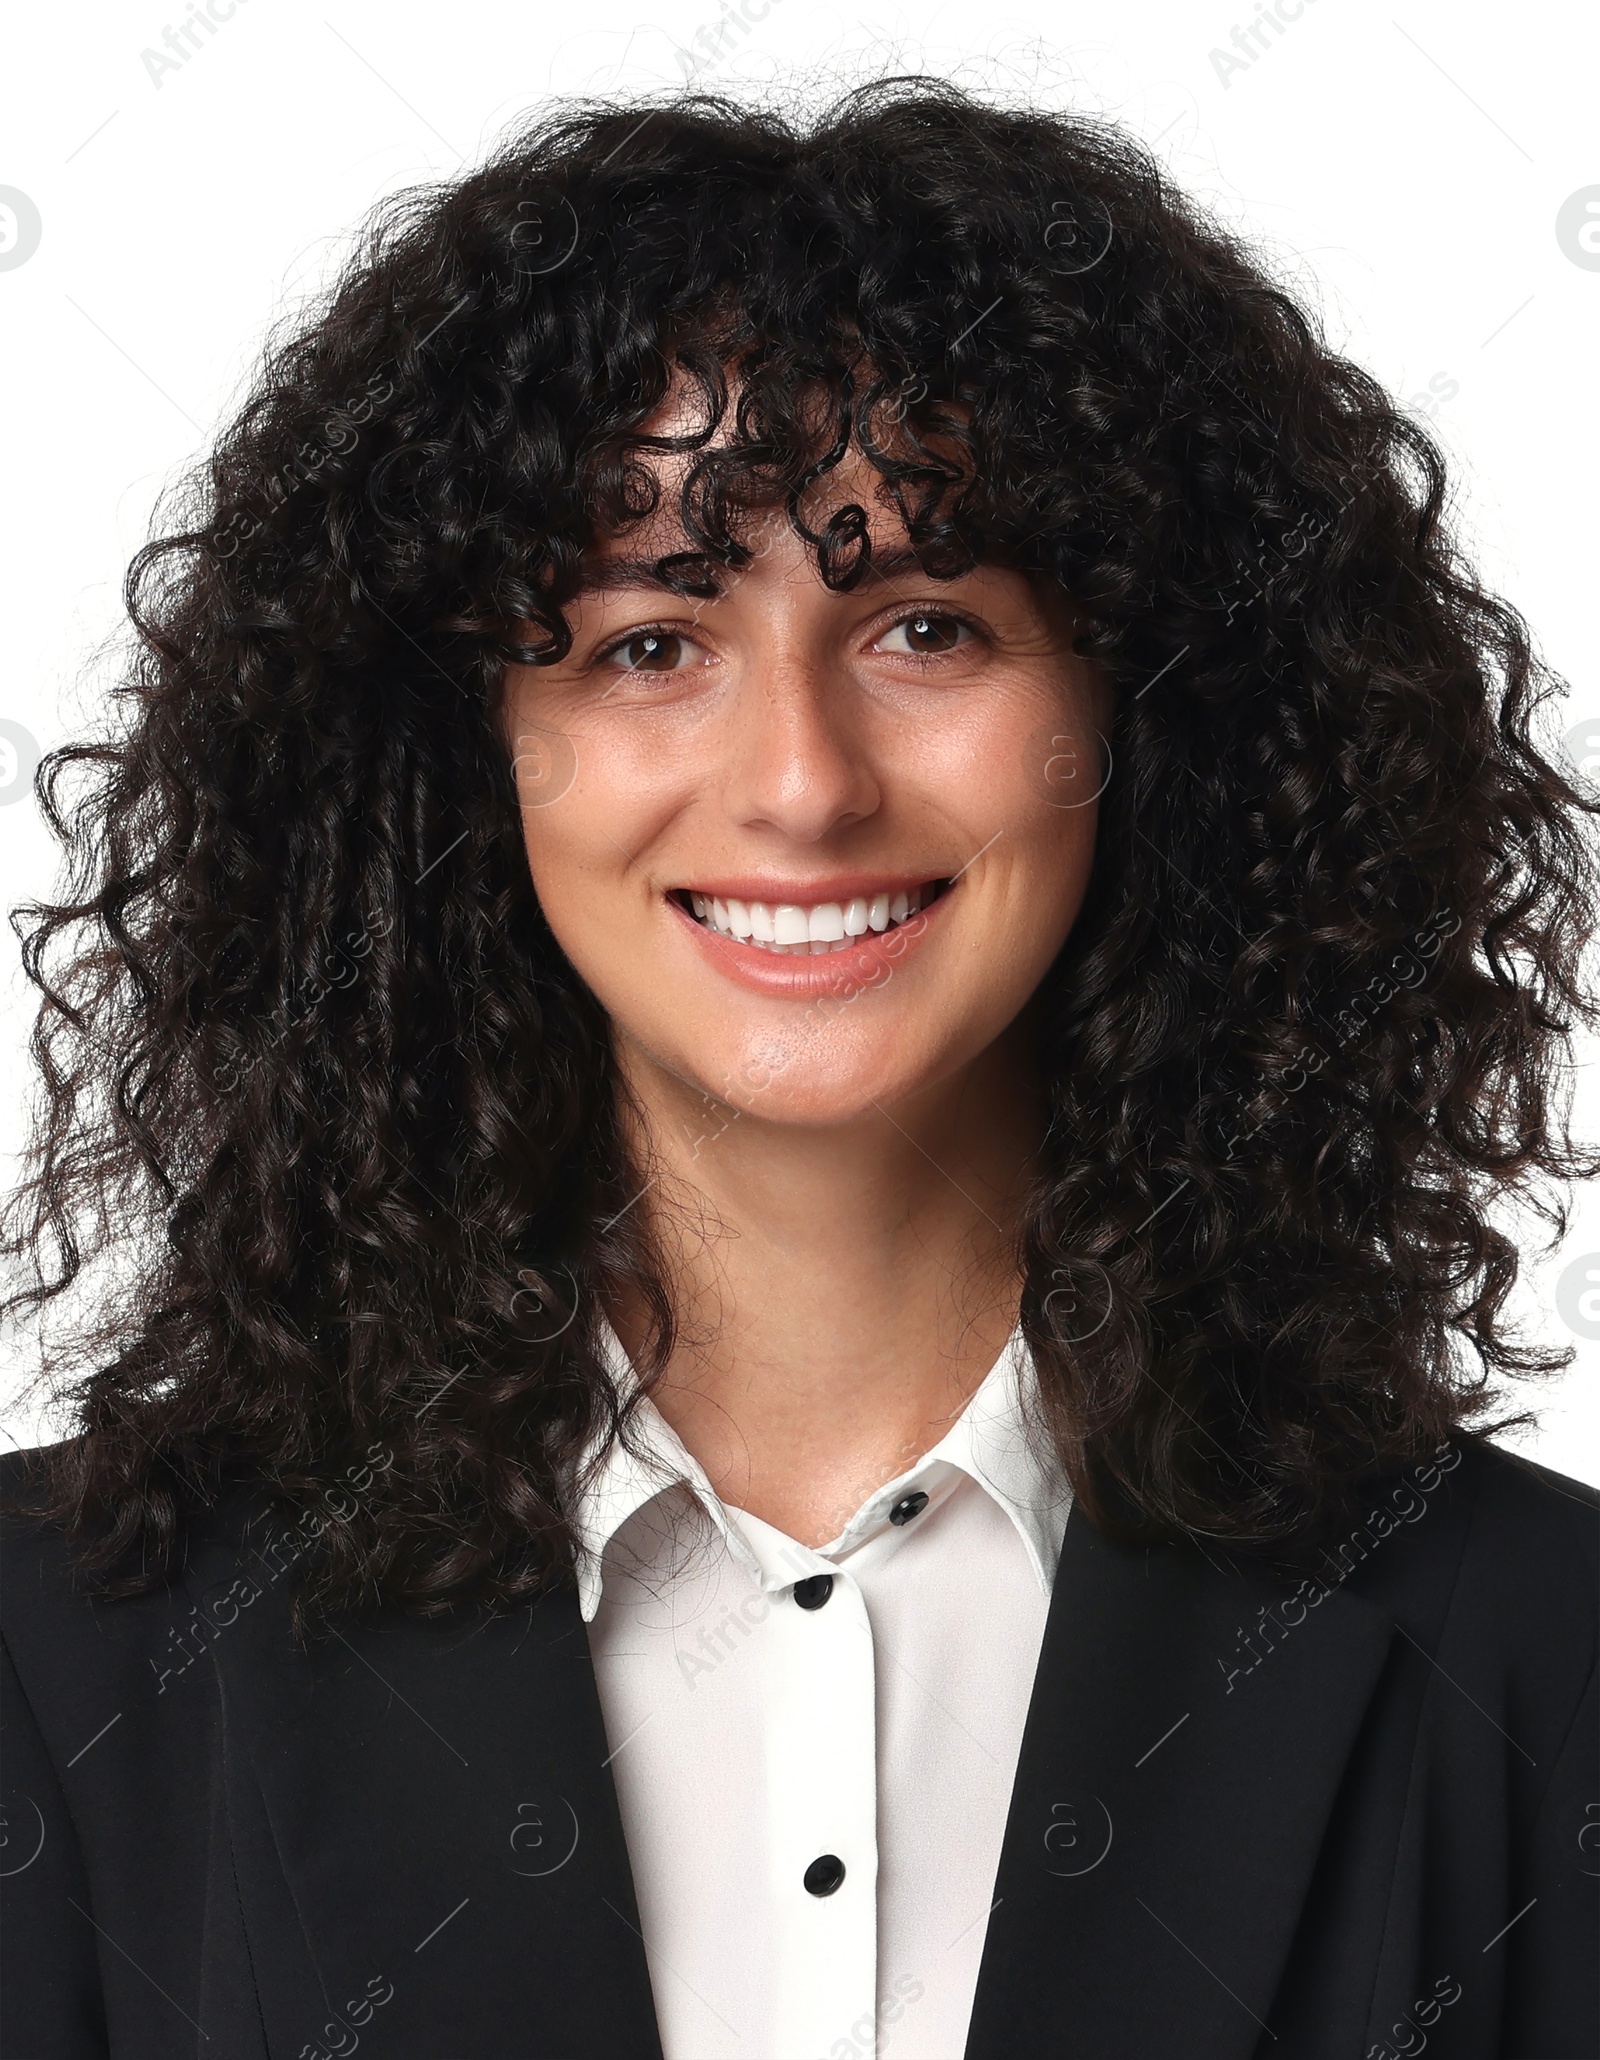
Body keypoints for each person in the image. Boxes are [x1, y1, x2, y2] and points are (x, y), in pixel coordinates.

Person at [2, 79, 1595, 2060]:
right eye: (647, 642)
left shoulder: (1536, 1670)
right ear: (460, 745)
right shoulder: (61, 1668)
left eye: (926, 621)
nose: (798, 783)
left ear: (1148, 704)